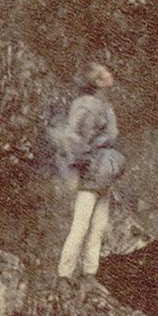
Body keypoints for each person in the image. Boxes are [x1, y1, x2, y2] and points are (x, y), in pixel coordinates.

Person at [54, 62, 124, 280]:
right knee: (81, 226)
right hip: (90, 172)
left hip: (103, 174)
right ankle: (64, 275)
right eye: (104, 73)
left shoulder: (103, 105)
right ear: (96, 82)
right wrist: (87, 162)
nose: (110, 74)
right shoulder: (86, 106)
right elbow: (72, 137)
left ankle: (90, 274)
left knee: (98, 227)